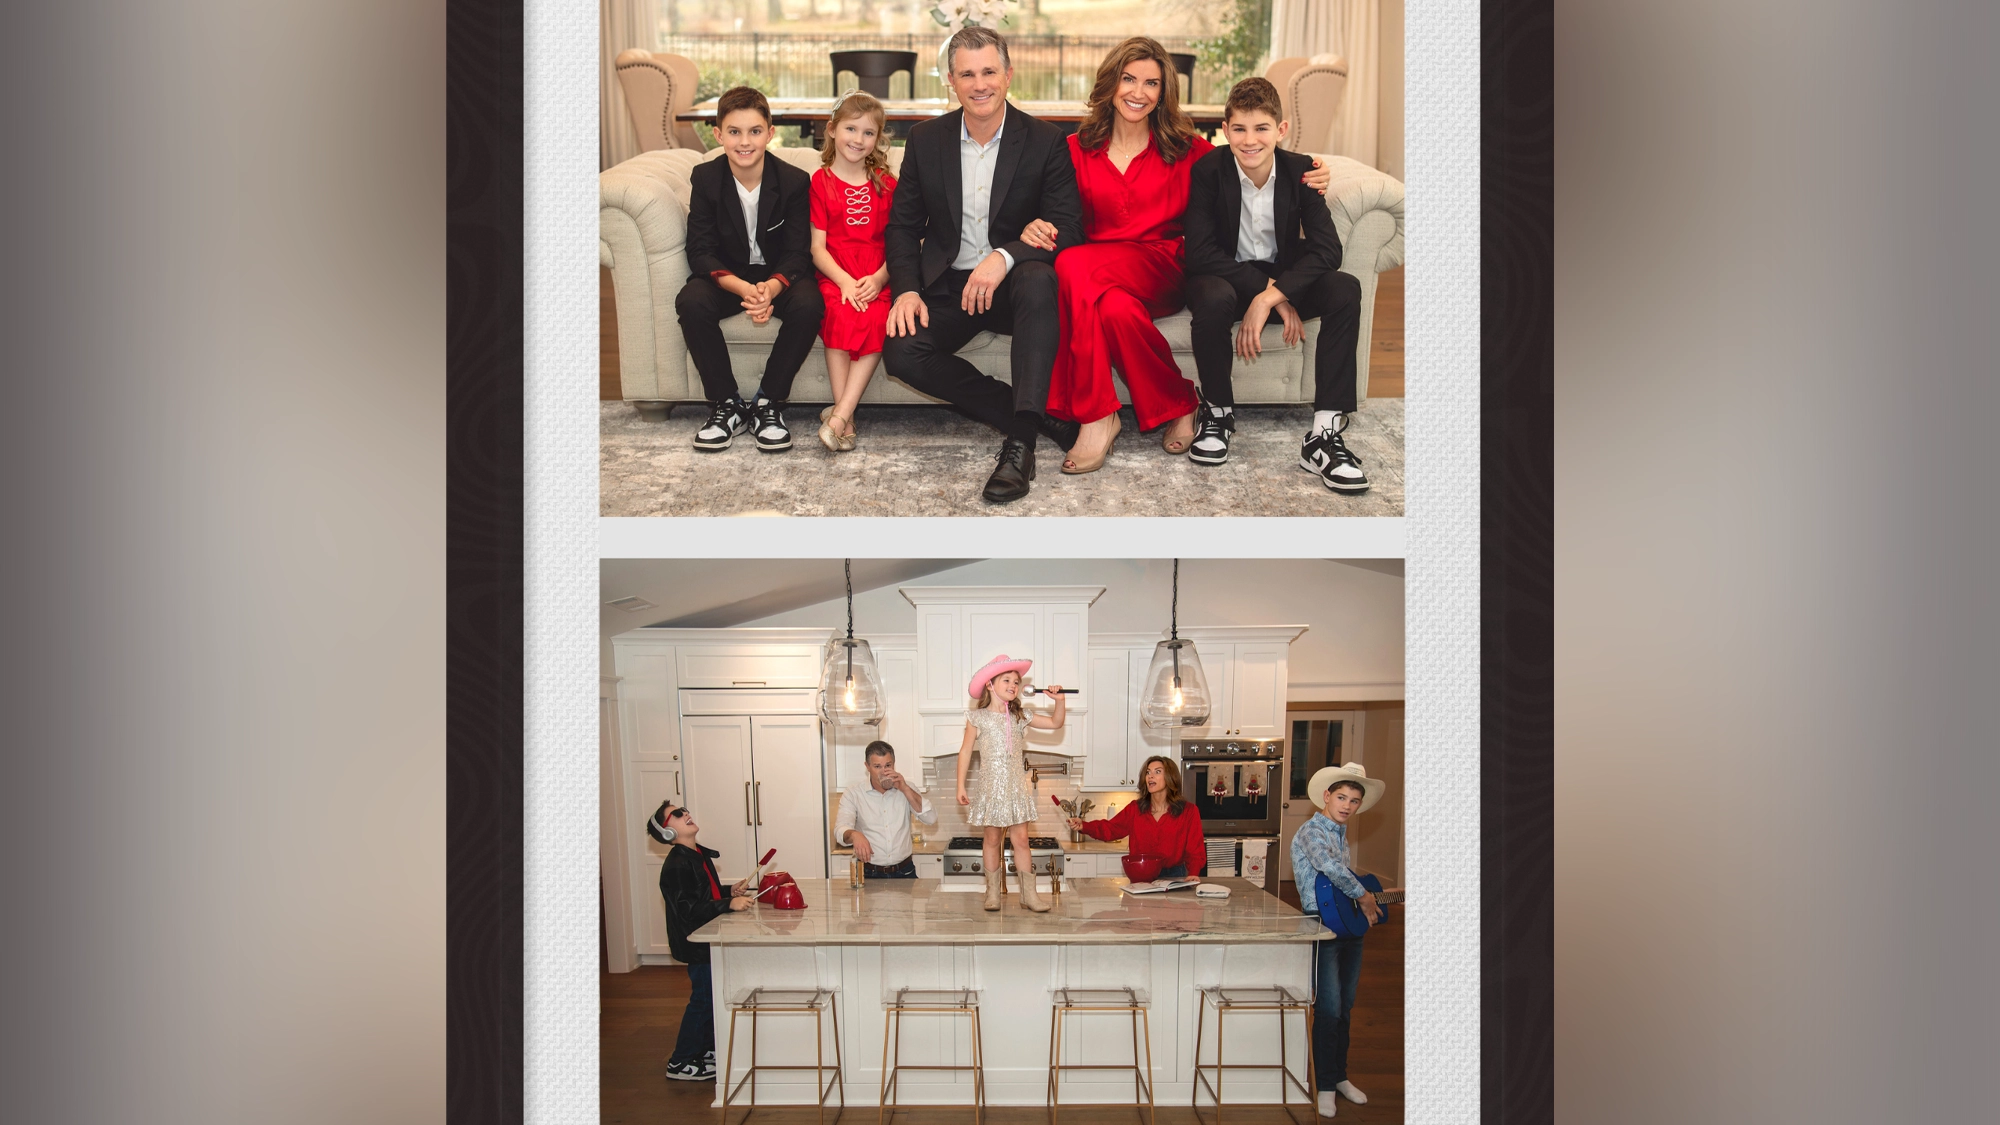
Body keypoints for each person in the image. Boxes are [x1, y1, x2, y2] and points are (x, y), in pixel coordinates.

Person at [1020, 40, 1332, 474]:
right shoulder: (1074, 148)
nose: (1138, 91)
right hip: (1098, 276)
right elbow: (1032, 200)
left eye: (1152, 82)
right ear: (1111, 83)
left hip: (1162, 267)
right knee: (1111, 308)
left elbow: (1252, 155)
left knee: (1071, 264)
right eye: (1129, 78)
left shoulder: (1187, 150)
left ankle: (1094, 415)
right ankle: (1180, 402)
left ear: (1163, 91)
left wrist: (1311, 170)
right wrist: (1028, 225)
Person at [881, 26, 1085, 503]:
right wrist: (907, 289)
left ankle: (1020, 447)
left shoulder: (1046, 140)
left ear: (1008, 75)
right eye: (967, 74)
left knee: (1037, 279)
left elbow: (1069, 228)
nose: (979, 84)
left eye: (989, 71)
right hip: (949, 285)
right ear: (950, 81)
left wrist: (1005, 255)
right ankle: (1029, 413)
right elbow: (903, 227)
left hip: (1014, 288)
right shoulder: (926, 139)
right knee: (901, 353)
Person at [1182, 77, 1369, 491]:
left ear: (1281, 130)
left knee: (1345, 288)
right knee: (1211, 296)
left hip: (1282, 279)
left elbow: (1327, 251)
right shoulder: (1208, 171)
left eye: (1261, 128)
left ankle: (1324, 435)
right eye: (1240, 129)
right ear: (1226, 129)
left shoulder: (1301, 171)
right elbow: (1200, 253)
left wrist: (1273, 296)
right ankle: (1216, 413)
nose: (1250, 141)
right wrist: (1267, 289)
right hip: (1223, 278)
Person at [676, 85, 824, 453]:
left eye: (755, 132)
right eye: (735, 132)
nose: (745, 142)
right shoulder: (706, 179)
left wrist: (771, 289)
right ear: (718, 134)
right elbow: (700, 250)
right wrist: (742, 288)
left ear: (770, 134)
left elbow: (796, 252)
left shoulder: (793, 181)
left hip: (778, 275)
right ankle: (726, 404)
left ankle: (767, 403)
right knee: (691, 301)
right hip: (729, 277)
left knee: (810, 304)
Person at [1290, 764, 1387, 1117]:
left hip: (1347, 927)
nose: (1347, 805)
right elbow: (1329, 868)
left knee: (1345, 1008)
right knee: (1328, 1010)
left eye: (1355, 801)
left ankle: (1340, 1076)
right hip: (1322, 927)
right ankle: (1325, 1085)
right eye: (1342, 797)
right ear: (1326, 796)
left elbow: (1340, 878)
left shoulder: (1341, 834)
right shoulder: (1312, 832)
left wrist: (1366, 896)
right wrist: (1364, 896)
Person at [808, 91, 897, 451]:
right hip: (836, 272)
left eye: (868, 133)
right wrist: (843, 281)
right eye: (850, 129)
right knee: (839, 313)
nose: (858, 140)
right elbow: (816, 248)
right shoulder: (820, 181)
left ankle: (840, 414)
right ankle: (846, 416)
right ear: (831, 130)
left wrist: (878, 279)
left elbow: (902, 243)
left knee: (878, 317)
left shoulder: (886, 183)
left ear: (878, 139)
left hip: (877, 271)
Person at [650, 800, 754, 1082]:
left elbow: (704, 894)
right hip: (696, 944)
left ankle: (703, 1049)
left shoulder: (696, 854)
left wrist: (727, 891)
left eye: (684, 809)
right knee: (703, 999)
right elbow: (689, 910)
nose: (686, 813)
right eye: (677, 814)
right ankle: (680, 1061)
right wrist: (728, 905)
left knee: (710, 996)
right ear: (667, 831)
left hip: (708, 940)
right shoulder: (676, 865)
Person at [954, 654, 1065, 910]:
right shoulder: (977, 718)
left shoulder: (1020, 716)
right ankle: (992, 893)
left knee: (1022, 840)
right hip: (991, 789)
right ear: (990, 685)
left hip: (1016, 788)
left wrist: (1059, 701)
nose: (1014, 685)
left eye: (1017, 681)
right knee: (992, 840)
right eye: (1007, 680)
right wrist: (960, 785)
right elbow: (965, 752)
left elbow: (1056, 723)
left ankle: (1029, 895)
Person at [1067, 755, 1205, 878]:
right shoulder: (1135, 809)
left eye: (1157, 772)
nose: (1150, 776)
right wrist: (1084, 826)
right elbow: (1111, 828)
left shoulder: (1188, 811)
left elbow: (1195, 849)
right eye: (1148, 772)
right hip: (1141, 874)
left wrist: (1193, 873)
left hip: (1175, 876)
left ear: (1170, 777)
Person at [833, 740, 937, 878]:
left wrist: (905, 789)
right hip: (868, 873)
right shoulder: (853, 793)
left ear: (894, 764)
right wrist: (855, 835)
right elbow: (840, 830)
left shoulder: (906, 788)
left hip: (904, 871)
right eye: (877, 766)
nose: (883, 772)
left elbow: (930, 818)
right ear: (867, 767)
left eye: (888, 765)